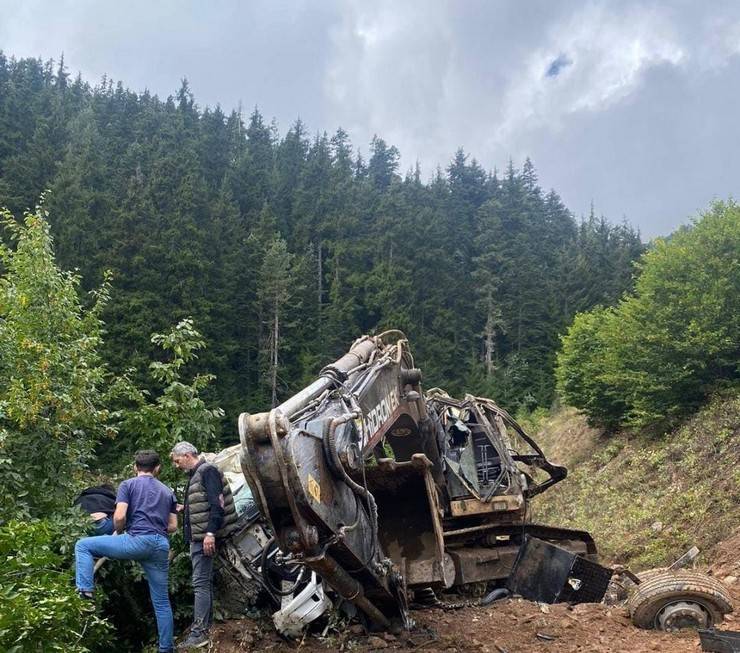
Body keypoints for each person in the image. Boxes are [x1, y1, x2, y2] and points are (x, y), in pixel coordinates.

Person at [75, 450, 178, 653]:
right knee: (161, 602)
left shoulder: (128, 485)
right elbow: (173, 525)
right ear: (158, 468)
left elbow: (119, 516)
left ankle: (85, 591)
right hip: (160, 545)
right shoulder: (168, 491)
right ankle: (166, 649)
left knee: (83, 545)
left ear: (135, 467)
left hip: (136, 541)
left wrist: (120, 531)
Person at [170, 441, 238, 650]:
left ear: (188, 455)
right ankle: (203, 629)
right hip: (201, 537)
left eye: (177, 460)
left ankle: (199, 632)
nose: (176, 465)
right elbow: (205, 503)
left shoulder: (207, 471)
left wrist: (210, 533)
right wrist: (186, 508)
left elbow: (217, 505)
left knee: (200, 584)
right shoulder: (198, 473)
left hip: (204, 539)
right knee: (203, 583)